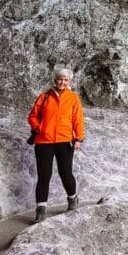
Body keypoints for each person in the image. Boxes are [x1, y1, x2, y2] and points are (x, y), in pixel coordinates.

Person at [27, 67, 85, 223]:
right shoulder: (44, 97)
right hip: (43, 141)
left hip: (65, 141)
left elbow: (78, 120)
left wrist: (78, 139)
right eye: (60, 79)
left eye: (66, 80)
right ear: (55, 80)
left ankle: (72, 199)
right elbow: (32, 116)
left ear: (69, 81)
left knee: (65, 172)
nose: (62, 82)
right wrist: (38, 127)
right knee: (44, 175)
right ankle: (40, 210)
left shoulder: (73, 99)